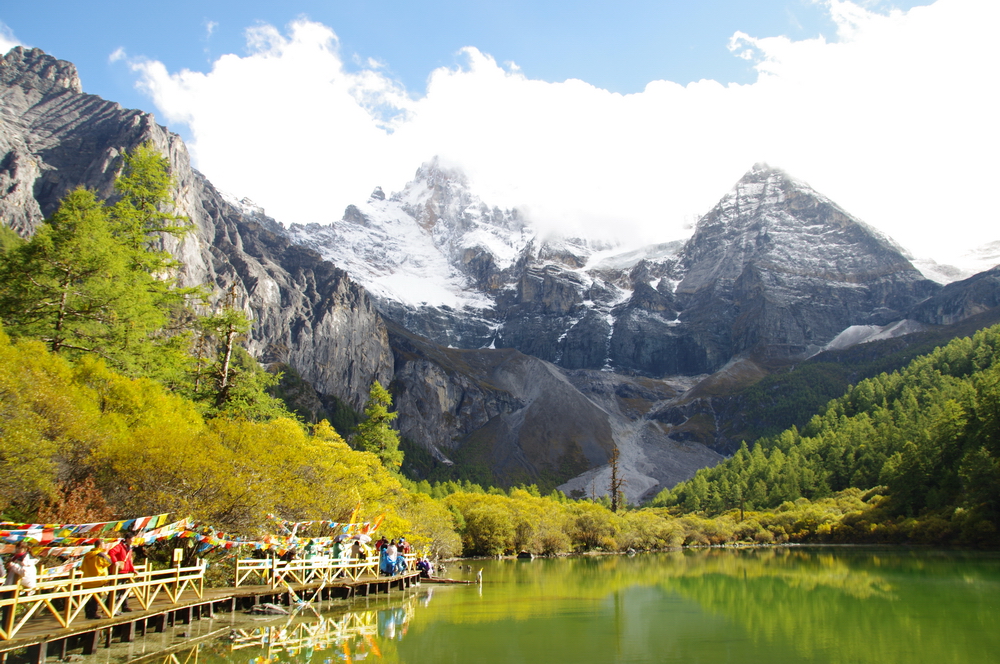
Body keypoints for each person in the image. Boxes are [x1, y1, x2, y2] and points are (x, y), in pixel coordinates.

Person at [2, 542, 36, 628]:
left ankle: (6, 630)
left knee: (9, 608)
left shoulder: (27, 559)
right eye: (16, 548)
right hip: (10, 584)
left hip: (18, 586)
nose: (17, 550)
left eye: (19, 548)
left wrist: (13, 566)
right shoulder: (15, 557)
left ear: (24, 549)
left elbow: (24, 572)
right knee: (5, 608)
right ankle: (4, 628)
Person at [82, 541, 112, 619]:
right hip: (97, 579)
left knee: (88, 598)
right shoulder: (100, 555)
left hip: (87, 579)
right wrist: (106, 555)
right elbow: (109, 563)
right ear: (99, 546)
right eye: (103, 545)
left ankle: (88, 614)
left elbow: (82, 567)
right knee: (95, 598)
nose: (104, 547)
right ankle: (93, 613)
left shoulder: (87, 555)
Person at [107, 532, 136, 613]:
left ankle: (124, 606)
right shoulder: (120, 546)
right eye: (131, 539)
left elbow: (129, 560)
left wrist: (133, 569)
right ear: (127, 539)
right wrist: (115, 561)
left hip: (125, 571)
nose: (133, 540)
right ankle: (111, 608)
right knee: (116, 590)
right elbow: (111, 552)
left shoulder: (129, 548)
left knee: (123, 590)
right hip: (118, 571)